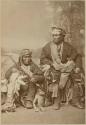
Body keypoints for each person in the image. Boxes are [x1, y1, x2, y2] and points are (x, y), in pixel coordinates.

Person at [40, 26, 84, 110]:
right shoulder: (47, 47)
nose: (55, 37)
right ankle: (56, 101)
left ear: (62, 36)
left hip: (66, 67)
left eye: (57, 35)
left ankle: (75, 100)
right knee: (54, 77)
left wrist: (78, 67)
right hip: (53, 67)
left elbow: (77, 56)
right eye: (53, 35)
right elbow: (43, 59)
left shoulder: (68, 46)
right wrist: (52, 63)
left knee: (77, 77)